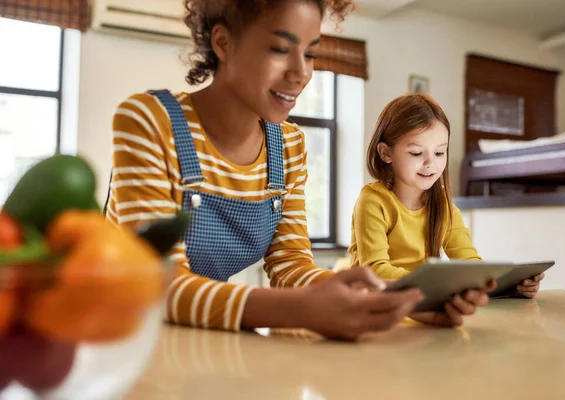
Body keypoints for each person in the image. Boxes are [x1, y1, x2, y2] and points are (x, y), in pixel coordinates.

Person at [104, 0, 425, 341]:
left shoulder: (288, 146)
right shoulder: (150, 121)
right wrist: (304, 309)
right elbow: (158, 285)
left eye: (310, 54)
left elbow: (291, 266)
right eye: (280, 49)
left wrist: (400, 298)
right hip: (114, 336)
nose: (300, 73)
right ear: (223, 43)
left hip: (193, 335)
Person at [348, 94, 543, 326]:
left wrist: (507, 286)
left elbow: (470, 262)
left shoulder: (443, 205)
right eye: (417, 153)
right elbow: (375, 271)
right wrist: (436, 285)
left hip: (423, 305)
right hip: (374, 307)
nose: (431, 163)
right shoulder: (373, 200)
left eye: (440, 152)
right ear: (386, 153)